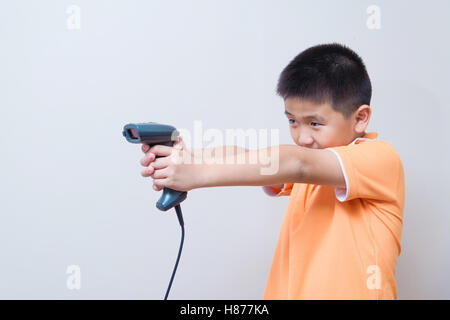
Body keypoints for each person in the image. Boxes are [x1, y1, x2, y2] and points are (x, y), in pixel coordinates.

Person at [139, 43, 405, 299]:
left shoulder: (379, 158)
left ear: (360, 118)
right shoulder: (314, 164)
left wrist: (196, 176)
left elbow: (295, 163)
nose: (302, 137)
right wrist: (192, 158)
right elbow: (248, 157)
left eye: (314, 123)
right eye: (292, 121)